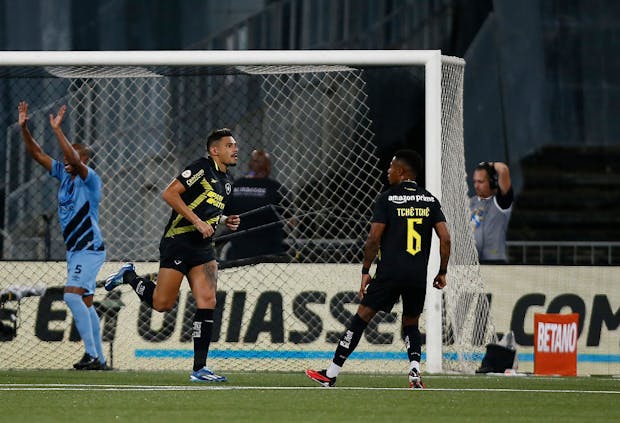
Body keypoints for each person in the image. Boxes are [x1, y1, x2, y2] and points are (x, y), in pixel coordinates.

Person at [305, 149, 451, 389]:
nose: (388, 171)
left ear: (402, 172)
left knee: (361, 318)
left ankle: (330, 374)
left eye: (391, 167)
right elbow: (445, 238)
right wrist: (442, 271)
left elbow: (373, 239)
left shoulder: (388, 198)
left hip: (389, 273)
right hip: (416, 275)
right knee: (411, 323)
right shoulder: (430, 200)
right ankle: (414, 371)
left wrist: (365, 270)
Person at [104, 128, 241, 382]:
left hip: (203, 247)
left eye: (235, 145)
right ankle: (130, 276)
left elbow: (205, 207)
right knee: (162, 304)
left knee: (208, 301)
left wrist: (223, 219)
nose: (235, 149)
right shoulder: (201, 167)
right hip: (178, 242)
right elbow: (169, 193)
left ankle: (199, 369)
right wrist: (198, 222)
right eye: (229, 145)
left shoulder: (228, 182)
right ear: (215, 150)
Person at [18, 101, 109, 370]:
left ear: (83, 160)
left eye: (72, 156)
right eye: (65, 156)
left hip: (89, 248)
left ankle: (92, 355)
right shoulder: (64, 175)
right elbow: (37, 154)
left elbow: (73, 157)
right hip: (76, 250)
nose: (66, 159)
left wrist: (57, 130)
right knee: (86, 301)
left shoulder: (90, 179)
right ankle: (100, 359)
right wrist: (24, 127)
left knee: (71, 296)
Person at [222, 149, 291, 260]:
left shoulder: (235, 186)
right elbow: (291, 220)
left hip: (240, 251)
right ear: (268, 167)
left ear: (249, 165)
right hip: (270, 251)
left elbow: (223, 215)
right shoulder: (275, 188)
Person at [469, 161, 513, 263]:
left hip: (496, 263)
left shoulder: (500, 203)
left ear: (492, 182)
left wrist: (489, 165)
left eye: (480, 182)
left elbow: (503, 170)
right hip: (474, 263)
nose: (476, 186)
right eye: (474, 182)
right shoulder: (470, 203)